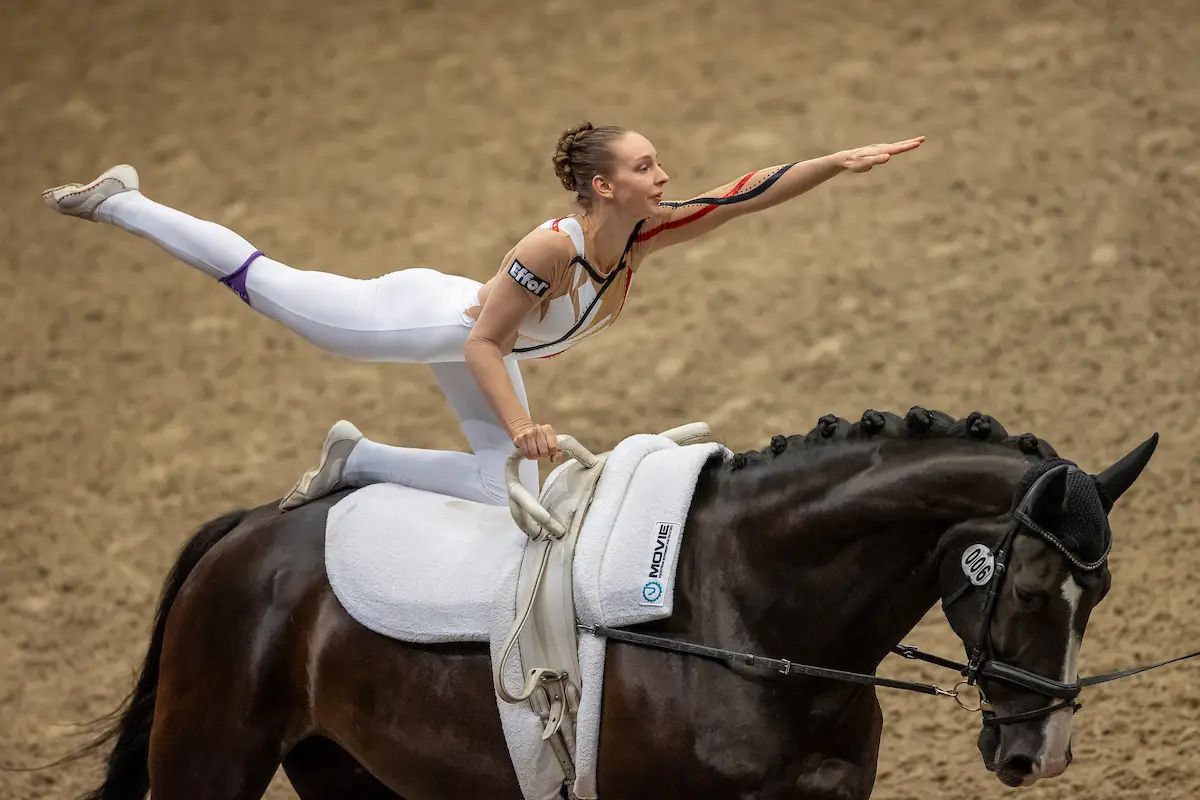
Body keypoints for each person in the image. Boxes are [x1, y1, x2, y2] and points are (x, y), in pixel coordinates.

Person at [43, 124, 924, 508]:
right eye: (648, 166)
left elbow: (742, 196)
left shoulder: (640, 237)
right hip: (424, 319)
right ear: (603, 187)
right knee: (274, 289)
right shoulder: (553, 247)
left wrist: (837, 162)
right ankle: (121, 202)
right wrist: (523, 422)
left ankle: (358, 461)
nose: (664, 178)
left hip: (482, 339)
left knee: (505, 491)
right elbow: (481, 342)